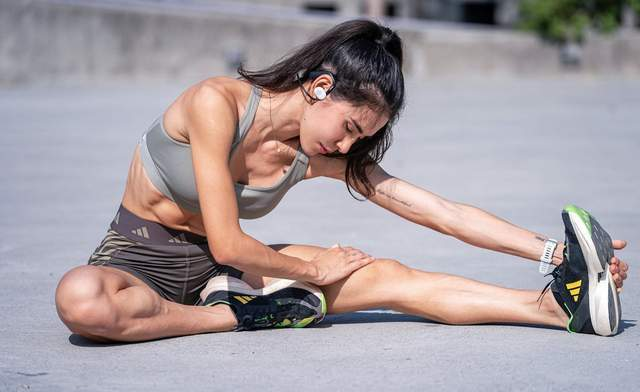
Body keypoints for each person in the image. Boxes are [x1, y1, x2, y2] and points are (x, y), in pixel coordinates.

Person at [54, 19, 629, 342]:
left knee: (392, 277)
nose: (347, 148)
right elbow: (231, 240)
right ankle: (235, 316)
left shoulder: (315, 151)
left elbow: (432, 209)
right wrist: (309, 272)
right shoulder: (215, 104)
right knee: (82, 300)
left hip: (221, 270)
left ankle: (553, 307)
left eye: (361, 139)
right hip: (138, 258)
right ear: (322, 87)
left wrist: (558, 252)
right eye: (350, 128)